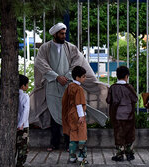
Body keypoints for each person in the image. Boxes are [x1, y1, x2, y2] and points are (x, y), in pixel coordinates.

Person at [29, 22, 108, 152]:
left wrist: (66, 76)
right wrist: (56, 76)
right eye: (61, 34)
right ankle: (54, 143)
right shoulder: (45, 48)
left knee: (68, 114)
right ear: (55, 34)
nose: (64, 36)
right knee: (54, 114)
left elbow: (77, 62)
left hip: (68, 84)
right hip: (52, 86)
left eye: (65, 33)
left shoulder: (71, 47)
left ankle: (68, 143)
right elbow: (40, 62)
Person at [106, 65, 137, 162]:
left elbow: (108, 100)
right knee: (129, 134)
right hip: (129, 115)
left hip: (116, 115)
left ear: (117, 76)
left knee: (119, 135)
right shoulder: (129, 87)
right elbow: (135, 99)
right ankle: (129, 153)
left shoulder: (113, 87)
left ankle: (119, 154)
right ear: (127, 76)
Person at [61, 66, 89, 164]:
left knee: (73, 134)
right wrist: (81, 116)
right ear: (77, 77)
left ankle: (72, 157)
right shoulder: (79, 88)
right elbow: (79, 103)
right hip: (78, 114)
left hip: (70, 114)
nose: (85, 78)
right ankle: (82, 157)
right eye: (83, 76)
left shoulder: (69, 86)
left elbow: (65, 101)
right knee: (82, 135)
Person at [16, 74, 30, 167]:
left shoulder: (12, 95)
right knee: (23, 147)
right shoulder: (25, 96)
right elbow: (26, 111)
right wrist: (21, 124)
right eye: (27, 84)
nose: (28, 86)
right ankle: (20, 166)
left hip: (13, 125)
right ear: (23, 86)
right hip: (23, 126)